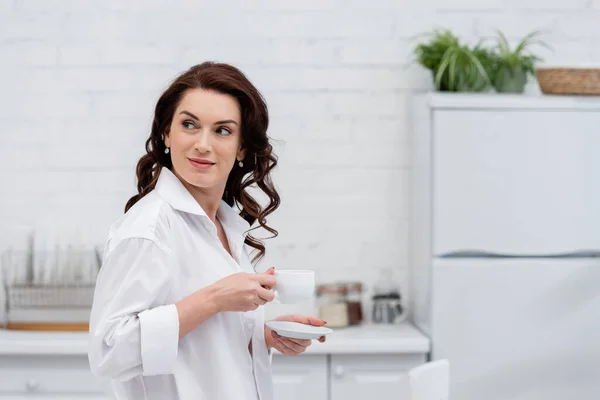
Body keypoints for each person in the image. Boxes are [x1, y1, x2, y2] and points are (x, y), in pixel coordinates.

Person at [88, 61, 326, 400]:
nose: (203, 144)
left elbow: (201, 346)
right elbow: (108, 352)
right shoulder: (150, 227)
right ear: (166, 134)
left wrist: (262, 336)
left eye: (223, 130)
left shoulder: (224, 226)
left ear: (242, 147)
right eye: (189, 125)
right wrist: (215, 299)